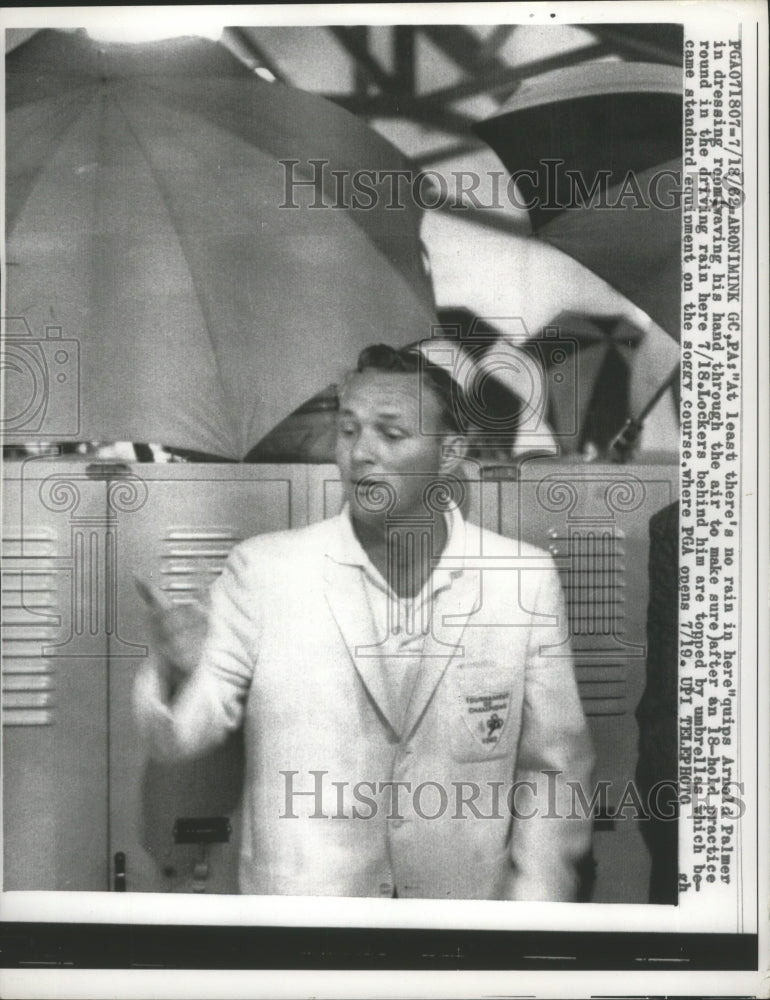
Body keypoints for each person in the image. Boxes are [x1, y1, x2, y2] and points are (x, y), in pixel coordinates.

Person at [133, 343, 594, 899]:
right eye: (348, 431)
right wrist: (180, 672)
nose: (361, 454)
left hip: (459, 921)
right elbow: (180, 737)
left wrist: (532, 909)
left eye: (391, 434)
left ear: (450, 452)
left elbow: (555, 768)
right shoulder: (265, 571)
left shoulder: (521, 578)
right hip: (308, 925)